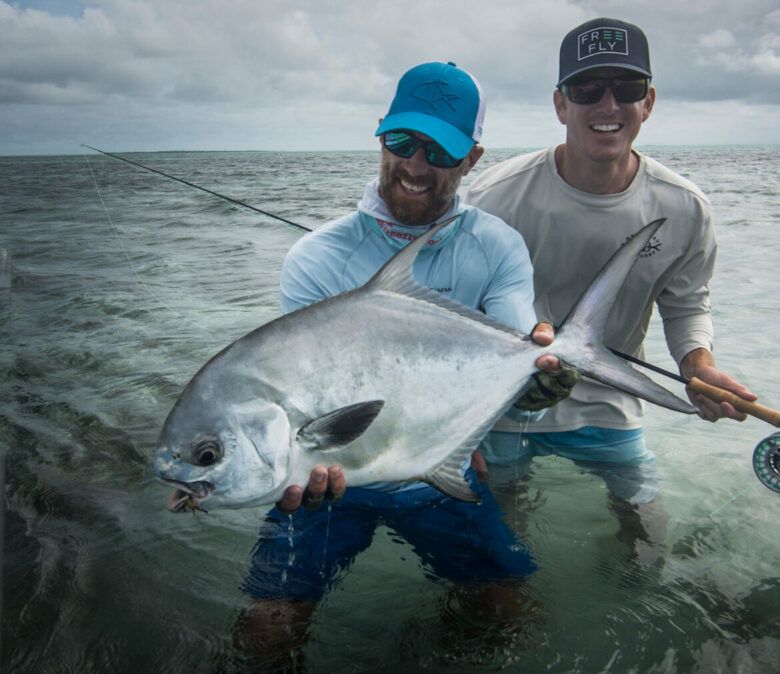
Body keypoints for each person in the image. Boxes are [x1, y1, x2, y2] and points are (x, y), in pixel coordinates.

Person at [232, 61, 577, 669]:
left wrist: (537, 382)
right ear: (381, 136)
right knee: (264, 630)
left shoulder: (495, 246)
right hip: (324, 482)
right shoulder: (315, 257)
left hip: (438, 473)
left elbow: (518, 356)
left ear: (470, 159)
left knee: (509, 615)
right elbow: (299, 393)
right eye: (401, 142)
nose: (415, 166)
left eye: (438, 151)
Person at [465, 18, 756, 552]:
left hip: (611, 402)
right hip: (502, 408)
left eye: (627, 89)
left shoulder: (683, 208)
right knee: (496, 562)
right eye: (586, 89)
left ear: (648, 103)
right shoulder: (494, 197)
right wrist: (455, 433)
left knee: (647, 541)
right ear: (560, 105)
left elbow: (687, 303)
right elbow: (451, 311)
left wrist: (699, 367)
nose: (608, 105)